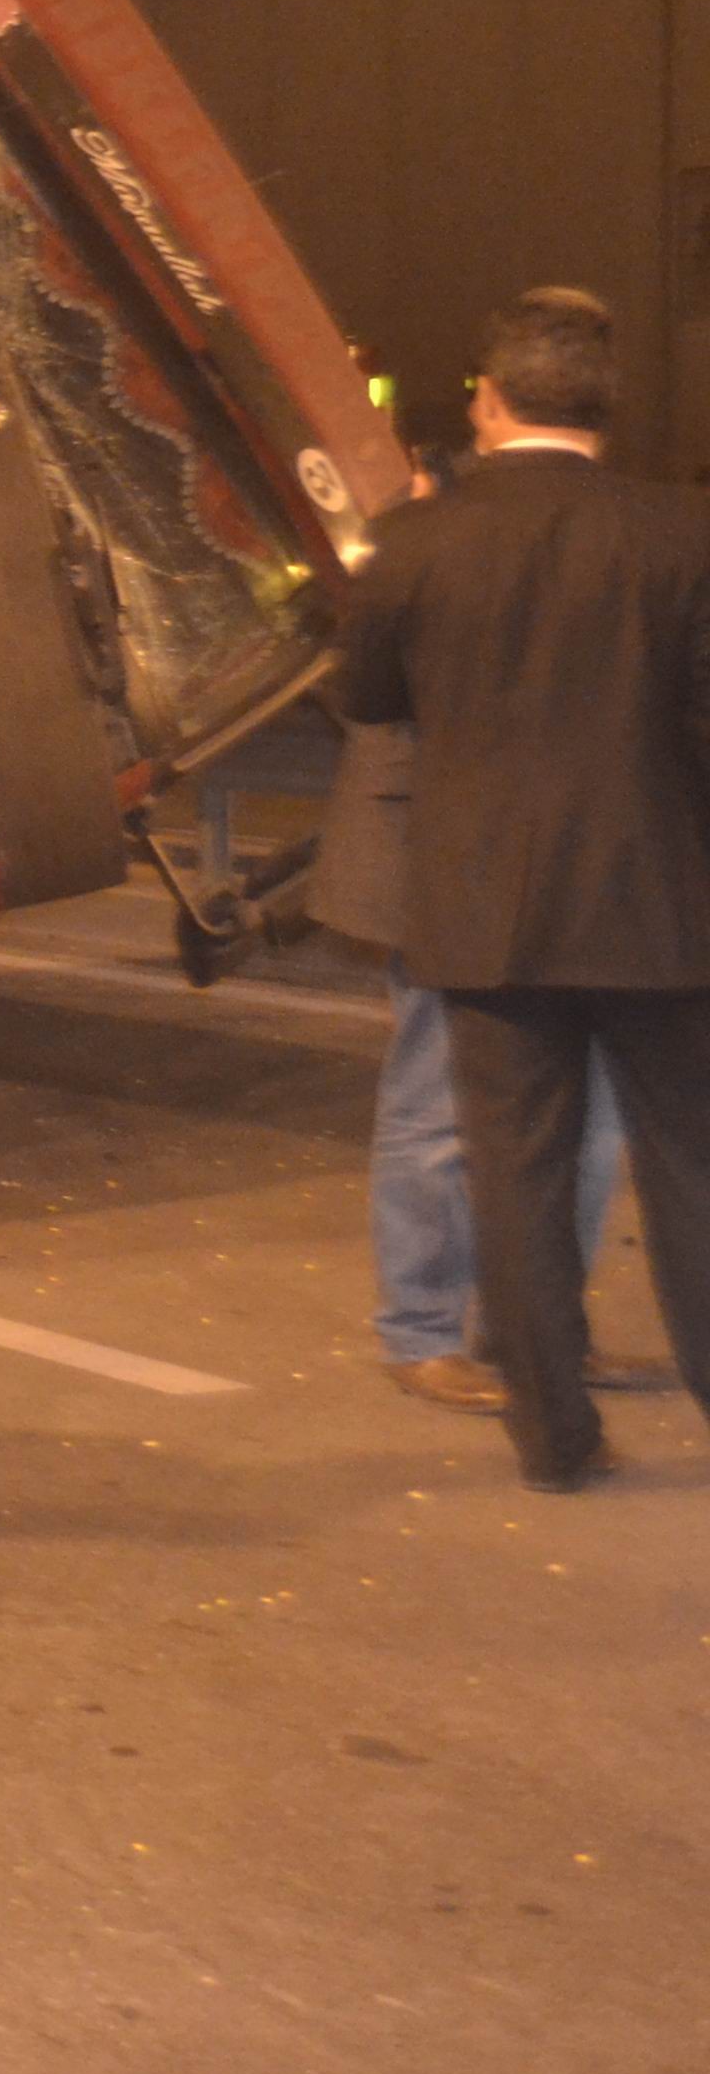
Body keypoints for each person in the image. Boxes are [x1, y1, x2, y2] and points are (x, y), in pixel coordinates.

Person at [332, 289, 710, 1490]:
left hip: (484, 905)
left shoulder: (419, 540)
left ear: (487, 405)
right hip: (658, 906)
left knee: (516, 1171)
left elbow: (370, 698)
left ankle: (551, 1434)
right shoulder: (681, 534)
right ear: (609, 408)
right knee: (692, 1169)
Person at [308, 415, 649, 1410]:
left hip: (570, 868)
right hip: (444, 869)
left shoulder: (599, 539)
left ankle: (535, 1330)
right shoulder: (422, 542)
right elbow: (372, 698)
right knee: (436, 1105)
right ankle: (422, 1329)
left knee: (585, 1119)